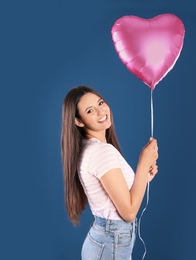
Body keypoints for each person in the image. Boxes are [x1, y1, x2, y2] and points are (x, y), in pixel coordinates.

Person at [61, 85, 159, 259]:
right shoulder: (101, 152)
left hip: (105, 240)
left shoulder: (91, 148)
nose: (101, 112)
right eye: (90, 111)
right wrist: (143, 164)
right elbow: (128, 213)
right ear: (79, 121)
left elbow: (116, 194)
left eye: (101, 103)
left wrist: (143, 177)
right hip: (110, 242)